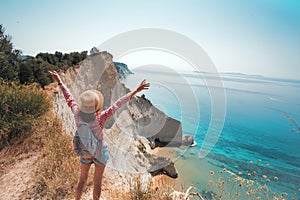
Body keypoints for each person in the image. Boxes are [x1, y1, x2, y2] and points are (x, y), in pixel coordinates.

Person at [49, 70, 150, 200]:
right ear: (97, 108)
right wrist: (135, 91)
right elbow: (118, 104)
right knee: (97, 182)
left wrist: (60, 82)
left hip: (85, 151)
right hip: (100, 152)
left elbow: (69, 99)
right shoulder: (100, 118)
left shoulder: (77, 114)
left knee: (82, 180)